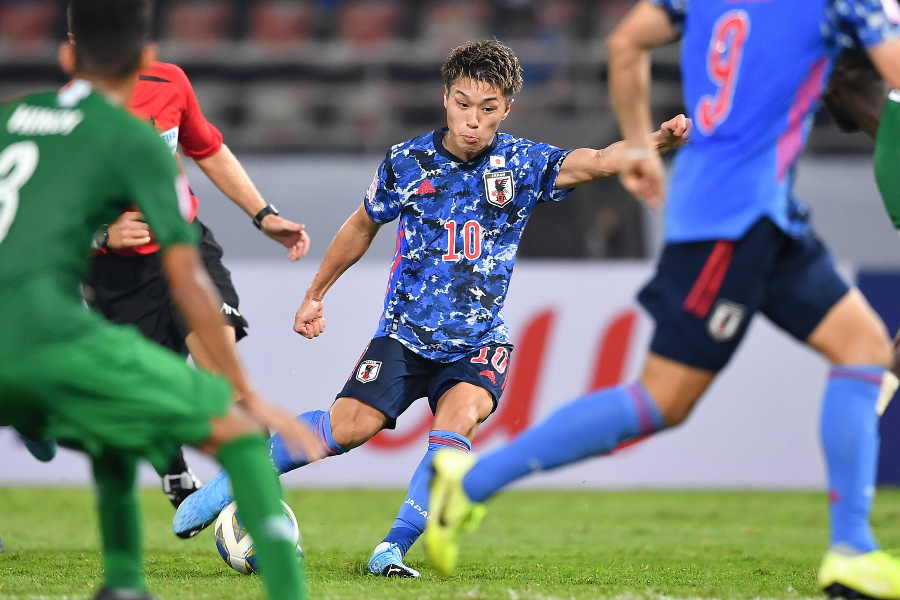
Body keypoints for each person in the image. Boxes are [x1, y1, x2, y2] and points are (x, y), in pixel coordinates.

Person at [422, 2, 900, 597]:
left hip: (760, 211)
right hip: (732, 224)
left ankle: (853, 548)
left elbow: (625, 42)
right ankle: (470, 484)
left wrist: (643, 150)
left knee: (864, 347)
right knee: (661, 401)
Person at [172, 39, 690, 577]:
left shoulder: (523, 163)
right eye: (463, 104)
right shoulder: (407, 161)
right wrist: (316, 292)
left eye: (487, 109)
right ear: (445, 98)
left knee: (457, 423)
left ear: (506, 109)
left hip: (479, 341)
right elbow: (362, 224)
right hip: (404, 335)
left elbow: (600, 161)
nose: (473, 120)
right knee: (348, 428)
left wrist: (657, 141)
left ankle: (391, 549)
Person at [0, 1, 318, 598]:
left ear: (68, 54)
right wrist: (251, 396)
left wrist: (262, 213)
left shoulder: (13, 118)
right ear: (145, 56)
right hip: (66, 326)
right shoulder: (130, 137)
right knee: (239, 431)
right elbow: (188, 281)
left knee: (111, 425)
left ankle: (121, 577)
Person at [77, 28, 310, 509]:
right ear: (72, 46)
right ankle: (174, 469)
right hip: (117, 279)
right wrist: (101, 233)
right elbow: (34, 216)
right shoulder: (62, 118)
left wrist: (264, 215)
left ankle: (261, 511)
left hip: (185, 251)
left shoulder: (169, 82)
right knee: (154, 394)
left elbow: (206, 147)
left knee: (223, 379)